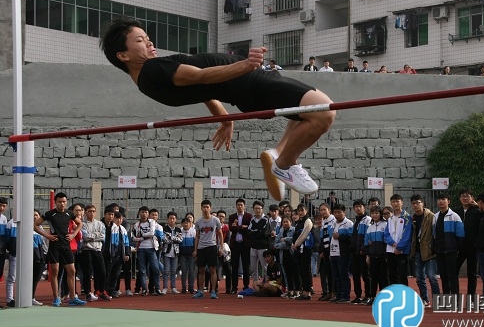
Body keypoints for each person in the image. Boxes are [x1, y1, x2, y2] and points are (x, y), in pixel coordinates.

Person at [100, 18, 334, 202]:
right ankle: (284, 165)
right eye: (140, 41)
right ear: (123, 55)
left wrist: (225, 119)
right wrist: (245, 65)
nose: (149, 43)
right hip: (251, 82)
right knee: (323, 112)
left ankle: (278, 153)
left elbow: (202, 89)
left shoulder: (146, 82)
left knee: (308, 110)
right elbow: (202, 76)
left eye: (147, 38)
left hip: (249, 84)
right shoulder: (151, 69)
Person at [34, 192, 87, 306]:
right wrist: (46, 235)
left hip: (66, 245)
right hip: (54, 246)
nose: (62, 204)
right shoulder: (50, 214)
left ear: (66, 202)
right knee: (55, 271)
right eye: (59, 202)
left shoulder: (69, 213)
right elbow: (35, 224)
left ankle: (72, 297)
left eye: (64, 202)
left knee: (72, 271)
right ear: (55, 202)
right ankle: (56, 297)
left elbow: (80, 223)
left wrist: (73, 234)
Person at [410, 194, 439, 308]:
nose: (416, 205)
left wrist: (434, 247)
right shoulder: (412, 218)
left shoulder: (431, 216)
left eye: (418, 202)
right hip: (417, 251)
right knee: (419, 278)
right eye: (413, 203)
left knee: (432, 276)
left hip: (430, 251)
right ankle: (425, 299)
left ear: (423, 203)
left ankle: (438, 300)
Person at [433, 193, 464, 295]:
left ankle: (455, 299)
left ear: (448, 201)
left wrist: (457, 249)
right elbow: (434, 234)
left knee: (453, 276)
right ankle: (446, 298)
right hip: (440, 251)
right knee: (443, 276)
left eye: (443, 199)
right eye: (439, 199)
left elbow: (460, 235)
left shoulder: (455, 216)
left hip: (451, 251)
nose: (441, 201)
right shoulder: (435, 216)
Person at [192, 200, 223, 299]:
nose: (205, 209)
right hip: (201, 248)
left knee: (212, 270)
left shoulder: (215, 220)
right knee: (201, 270)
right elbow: (197, 236)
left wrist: (221, 247)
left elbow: (220, 234)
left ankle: (213, 291)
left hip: (212, 247)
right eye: (204, 207)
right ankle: (200, 290)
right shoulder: (198, 222)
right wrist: (195, 249)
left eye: (207, 207)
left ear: (210, 208)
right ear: (201, 208)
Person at [80, 204, 111, 301]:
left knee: (102, 272)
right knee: (87, 273)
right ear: (85, 212)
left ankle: (101, 291)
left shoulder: (100, 224)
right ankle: (87, 292)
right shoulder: (82, 224)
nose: (91, 213)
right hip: (86, 250)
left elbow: (103, 236)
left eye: (93, 211)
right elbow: (85, 237)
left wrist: (92, 236)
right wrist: (96, 235)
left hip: (97, 250)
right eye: (89, 211)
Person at [455, 189, 481, 302]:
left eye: (467, 196)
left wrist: (478, 207)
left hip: (473, 246)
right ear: (459, 198)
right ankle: (455, 296)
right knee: (454, 270)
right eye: (462, 196)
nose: (465, 198)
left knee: (472, 273)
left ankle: (472, 298)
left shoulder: (477, 211)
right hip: (459, 246)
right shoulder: (456, 211)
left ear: (472, 198)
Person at [131, 205, 163, 296]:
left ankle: (157, 289)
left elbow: (152, 233)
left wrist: (141, 236)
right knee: (142, 270)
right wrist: (143, 238)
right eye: (142, 212)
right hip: (141, 249)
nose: (144, 214)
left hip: (151, 248)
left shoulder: (151, 222)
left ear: (148, 214)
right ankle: (144, 289)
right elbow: (133, 238)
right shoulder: (137, 225)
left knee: (155, 269)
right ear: (139, 213)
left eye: (146, 212)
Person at [384, 194, 412, 286]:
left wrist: (399, 247)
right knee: (392, 275)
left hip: (402, 252)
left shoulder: (407, 217)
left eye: (397, 201)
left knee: (402, 275)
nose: (395, 204)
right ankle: (394, 296)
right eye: (393, 202)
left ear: (402, 203)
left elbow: (407, 235)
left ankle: (404, 296)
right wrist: (393, 243)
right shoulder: (390, 219)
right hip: (390, 250)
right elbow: (386, 234)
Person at [363, 206, 388, 305]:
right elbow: (366, 241)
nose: (374, 215)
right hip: (373, 256)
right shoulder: (370, 227)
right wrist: (367, 255)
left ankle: (384, 297)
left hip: (383, 255)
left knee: (384, 277)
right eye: (372, 213)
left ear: (380, 214)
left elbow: (386, 240)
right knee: (374, 277)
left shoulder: (385, 225)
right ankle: (372, 296)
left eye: (377, 213)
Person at [329, 203, 353, 303]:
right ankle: (338, 294)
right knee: (336, 276)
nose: (337, 214)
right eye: (335, 212)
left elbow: (351, 237)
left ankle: (346, 295)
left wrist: (340, 236)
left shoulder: (349, 223)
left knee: (343, 274)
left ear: (344, 212)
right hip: (333, 252)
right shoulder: (333, 223)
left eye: (339, 212)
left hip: (343, 253)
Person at [228, 198, 252, 294]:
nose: (240, 207)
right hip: (235, 244)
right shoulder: (232, 216)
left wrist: (237, 227)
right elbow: (231, 227)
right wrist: (241, 227)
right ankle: (234, 287)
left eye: (241, 205)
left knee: (246, 266)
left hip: (245, 244)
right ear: (236, 206)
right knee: (234, 266)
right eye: (238, 205)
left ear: (244, 206)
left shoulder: (249, 216)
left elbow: (249, 228)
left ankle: (246, 286)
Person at [291, 203, 314, 300]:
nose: (300, 212)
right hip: (299, 249)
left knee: (305, 271)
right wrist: (293, 244)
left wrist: (296, 244)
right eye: (299, 211)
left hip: (305, 249)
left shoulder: (307, 221)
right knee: (301, 270)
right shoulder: (299, 222)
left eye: (302, 210)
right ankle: (304, 290)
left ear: (306, 211)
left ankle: (307, 292)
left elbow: (304, 234)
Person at [106, 211, 131, 299]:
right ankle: (106, 290)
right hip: (111, 254)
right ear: (114, 219)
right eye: (117, 218)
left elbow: (127, 242)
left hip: (120, 255)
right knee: (108, 273)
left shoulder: (123, 229)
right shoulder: (110, 228)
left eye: (121, 218)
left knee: (116, 274)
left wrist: (127, 253)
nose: (119, 220)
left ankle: (112, 290)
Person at [350, 199, 371, 304]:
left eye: (360, 206)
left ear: (364, 207)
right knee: (355, 275)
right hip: (355, 252)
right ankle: (358, 296)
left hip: (363, 252)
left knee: (366, 275)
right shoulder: (356, 221)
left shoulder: (367, 220)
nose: (358, 208)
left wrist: (364, 249)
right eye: (356, 206)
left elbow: (367, 236)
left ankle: (368, 295)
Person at [274, 216, 299, 298]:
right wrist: (284, 244)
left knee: (295, 273)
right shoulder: (281, 231)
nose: (285, 223)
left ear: (290, 222)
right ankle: (290, 290)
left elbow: (294, 239)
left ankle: (297, 290)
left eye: (287, 221)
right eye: (283, 222)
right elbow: (276, 243)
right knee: (287, 274)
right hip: (283, 255)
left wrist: (286, 239)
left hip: (292, 254)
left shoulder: (294, 230)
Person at [248, 200, 269, 284]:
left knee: (265, 267)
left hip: (263, 247)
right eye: (255, 208)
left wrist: (254, 232)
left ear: (262, 209)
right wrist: (257, 232)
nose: (257, 210)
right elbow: (249, 232)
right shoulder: (252, 220)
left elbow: (264, 233)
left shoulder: (265, 219)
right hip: (253, 246)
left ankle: (266, 284)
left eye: (259, 208)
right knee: (253, 268)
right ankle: (256, 284)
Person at [318, 203, 335, 301]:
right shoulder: (323, 221)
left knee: (333, 273)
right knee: (327, 272)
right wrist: (322, 251)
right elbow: (322, 237)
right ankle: (329, 292)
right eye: (321, 210)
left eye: (324, 210)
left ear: (329, 210)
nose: (323, 212)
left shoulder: (333, 220)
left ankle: (334, 292)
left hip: (332, 249)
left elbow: (331, 236)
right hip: (325, 250)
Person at [162, 211, 183, 294]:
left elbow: (180, 240)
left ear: (176, 220)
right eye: (170, 218)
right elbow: (164, 240)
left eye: (173, 218)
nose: (172, 220)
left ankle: (173, 287)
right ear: (167, 219)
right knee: (166, 271)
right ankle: (165, 287)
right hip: (166, 252)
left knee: (174, 271)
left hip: (175, 252)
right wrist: (174, 239)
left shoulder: (178, 230)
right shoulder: (164, 229)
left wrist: (170, 237)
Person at [179, 217, 196, 294]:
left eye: (187, 223)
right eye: (184, 223)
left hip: (191, 254)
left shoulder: (193, 232)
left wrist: (195, 251)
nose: (186, 224)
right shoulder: (179, 232)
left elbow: (196, 242)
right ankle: (183, 287)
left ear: (190, 223)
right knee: (184, 271)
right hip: (182, 254)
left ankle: (191, 287)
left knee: (191, 271)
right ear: (182, 224)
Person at [0, 197, 7, 284]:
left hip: (1, 246)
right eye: (0, 205)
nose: (1, 208)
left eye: (3, 206)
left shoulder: (4, 218)